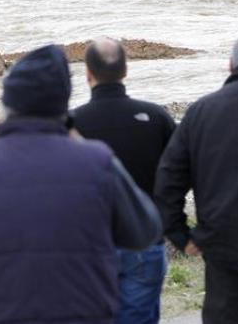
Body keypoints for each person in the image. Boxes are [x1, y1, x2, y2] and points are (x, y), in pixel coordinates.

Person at [0, 45, 162, 324]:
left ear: (7, 103)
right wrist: (85, 144)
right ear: (64, 103)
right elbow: (145, 231)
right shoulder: (96, 163)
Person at [155, 33, 238, 324]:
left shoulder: (202, 112)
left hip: (222, 249)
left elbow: (168, 180)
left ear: (230, 65)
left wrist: (181, 236)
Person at [72, 38, 176, 324]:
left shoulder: (72, 124)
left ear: (87, 74)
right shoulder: (156, 117)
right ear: (125, 70)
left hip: (89, 244)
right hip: (145, 239)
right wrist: (175, 227)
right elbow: (179, 175)